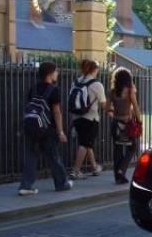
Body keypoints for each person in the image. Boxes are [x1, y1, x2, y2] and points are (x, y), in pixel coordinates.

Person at [18, 61, 73, 195]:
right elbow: (56, 112)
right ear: (49, 74)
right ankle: (62, 183)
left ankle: (26, 185)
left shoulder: (33, 88)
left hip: (31, 126)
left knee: (31, 155)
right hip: (47, 129)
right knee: (53, 156)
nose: (57, 73)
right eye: (56, 71)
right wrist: (60, 131)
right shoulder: (54, 89)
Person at [69, 60, 107, 180]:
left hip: (76, 117)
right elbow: (104, 104)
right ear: (94, 69)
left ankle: (95, 167)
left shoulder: (76, 81)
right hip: (90, 118)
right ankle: (75, 171)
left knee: (86, 142)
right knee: (85, 143)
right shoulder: (97, 84)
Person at [107, 67, 141, 184]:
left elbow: (108, 109)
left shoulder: (111, 92)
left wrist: (115, 113)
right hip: (127, 124)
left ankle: (117, 176)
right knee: (132, 147)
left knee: (117, 150)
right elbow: (135, 107)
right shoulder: (130, 91)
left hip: (115, 123)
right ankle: (122, 170)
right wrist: (139, 121)